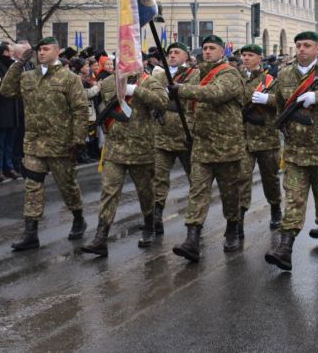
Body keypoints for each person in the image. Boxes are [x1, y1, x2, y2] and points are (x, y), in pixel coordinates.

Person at [261, 31, 318, 271]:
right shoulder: (284, 74)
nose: (301, 49)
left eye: (307, 45)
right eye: (299, 45)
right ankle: (285, 249)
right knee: (293, 200)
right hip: (295, 152)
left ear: (317, 49)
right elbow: (281, 105)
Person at [1, 37, 91, 251]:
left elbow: (80, 109)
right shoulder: (28, 77)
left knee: (67, 186)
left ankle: (78, 217)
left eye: (46, 49)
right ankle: (30, 233)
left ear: (57, 52)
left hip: (61, 144)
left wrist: (78, 139)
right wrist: (17, 64)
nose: (41, 53)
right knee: (32, 188)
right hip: (34, 143)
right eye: (39, 49)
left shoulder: (69, 78)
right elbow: (6, 90)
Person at [166, 35, 246, 261]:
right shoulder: (198, 75)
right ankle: (192, 238)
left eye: (212, 48)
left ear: (222, 51)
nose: (208, 52)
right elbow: (190, 108)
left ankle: (232, 226)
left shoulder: (230, 74)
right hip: (201, 145)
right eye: (205, 48)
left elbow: (215, 94)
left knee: (229, 193)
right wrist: (190, 128)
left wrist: (181, 89)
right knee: (198, 192)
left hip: (226, 146)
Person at [81, 61, 168, 257]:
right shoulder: (110, 82)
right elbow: (100, 103)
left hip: (141, 149)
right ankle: (100, 238)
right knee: (109, 192)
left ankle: (149, 226)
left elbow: (162, 102)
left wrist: (136, 91)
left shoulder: (149, 82)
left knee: (145, 193)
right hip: (115, 148)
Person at [236, 44, 282, 234]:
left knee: (270, 178)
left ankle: (275, 208)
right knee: (241, 179)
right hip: (243, 138)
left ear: (259, 58)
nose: (246, 58)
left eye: (250, 55)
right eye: (244, 55)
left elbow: (284, 101)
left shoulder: (270, 80)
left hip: (266, 138)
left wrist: (268, 100)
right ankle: (238, 219)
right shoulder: (236, 78)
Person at [152, 42, 195, 236]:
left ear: (186, 56)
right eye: (170, 53)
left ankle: (194, 220)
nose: (172, 55)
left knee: (195, 180)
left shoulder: (194, 74)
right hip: (163, 135)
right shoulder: (160, 75)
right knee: (159, 179)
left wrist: (168, 100)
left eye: (177, 52)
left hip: (186, 137)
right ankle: (156, 217)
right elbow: (155, 98)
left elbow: (190, 101)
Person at [0, 43, 21, 182]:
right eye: (10, 51)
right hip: (1, 108)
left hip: (12, 107)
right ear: (4, 52)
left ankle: (9, 167)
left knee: (10, 142)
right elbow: (2, 85)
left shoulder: (11, 65)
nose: (12, 54)